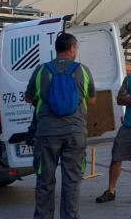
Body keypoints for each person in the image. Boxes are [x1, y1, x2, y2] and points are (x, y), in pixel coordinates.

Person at [25, 33, 96, 219]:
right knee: (72, 181)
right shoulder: (83, 71)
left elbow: (29, 97)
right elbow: (93, 99)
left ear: (56, 48)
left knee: (44, 181)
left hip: (47, 133)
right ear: (72, 48)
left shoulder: (41, 71)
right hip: (75, 133)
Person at [96, 53, 131, 205]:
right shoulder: (130, 79)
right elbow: (120, 99)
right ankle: (111, 190)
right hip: (128, 126)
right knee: (116, 159)